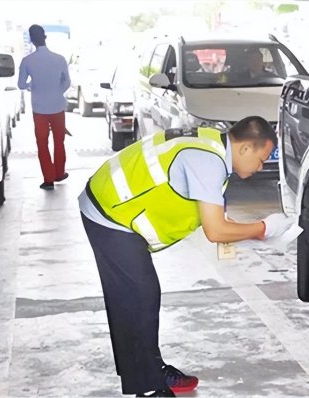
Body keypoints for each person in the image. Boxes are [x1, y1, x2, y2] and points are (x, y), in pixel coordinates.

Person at [79, 116, 294, 397]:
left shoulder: (214, 146)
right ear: (244, 149)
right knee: (138, 297)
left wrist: (256, 235)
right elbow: (215, 231)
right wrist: (265, 227)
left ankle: (150, 370)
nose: (260, 167)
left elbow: (217, 219)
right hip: (109, 213)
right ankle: (148, 386)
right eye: (261, 158)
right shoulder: (207, 162)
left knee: (139, 296)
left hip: (115, 207)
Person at [18, 24, 71, 190]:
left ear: (32, 40)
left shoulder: (27, 61)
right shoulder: (59, 59)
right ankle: (59, 172)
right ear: (45, 37)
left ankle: (48, 179)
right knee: (59, 141)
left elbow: (20, 84)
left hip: (39, 109)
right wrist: (56, 92)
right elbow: (67, 82)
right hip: (57, 107)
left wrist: (32, 85)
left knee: (42, 144)